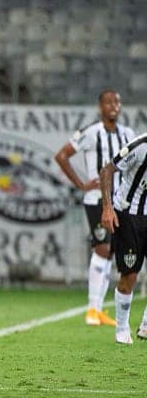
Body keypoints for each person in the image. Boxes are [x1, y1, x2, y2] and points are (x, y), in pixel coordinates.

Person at [55, 89, 134, 326]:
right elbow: (61, 155)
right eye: (108, 102)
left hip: (120, 200)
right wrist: (81, 184)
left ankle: (97, 310)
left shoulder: (128, 134)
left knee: (110, 252)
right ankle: (91, 309)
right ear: (100, 106)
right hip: (96, 200)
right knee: (101, 249)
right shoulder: (91, 133)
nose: (113, 105)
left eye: (117, 101)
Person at [100, 133, 147, 344]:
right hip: (128, 215)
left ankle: (146, 325)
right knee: (130, 276)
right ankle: (121, 328)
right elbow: (107, 170)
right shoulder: (141, 146)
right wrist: (107, 208)